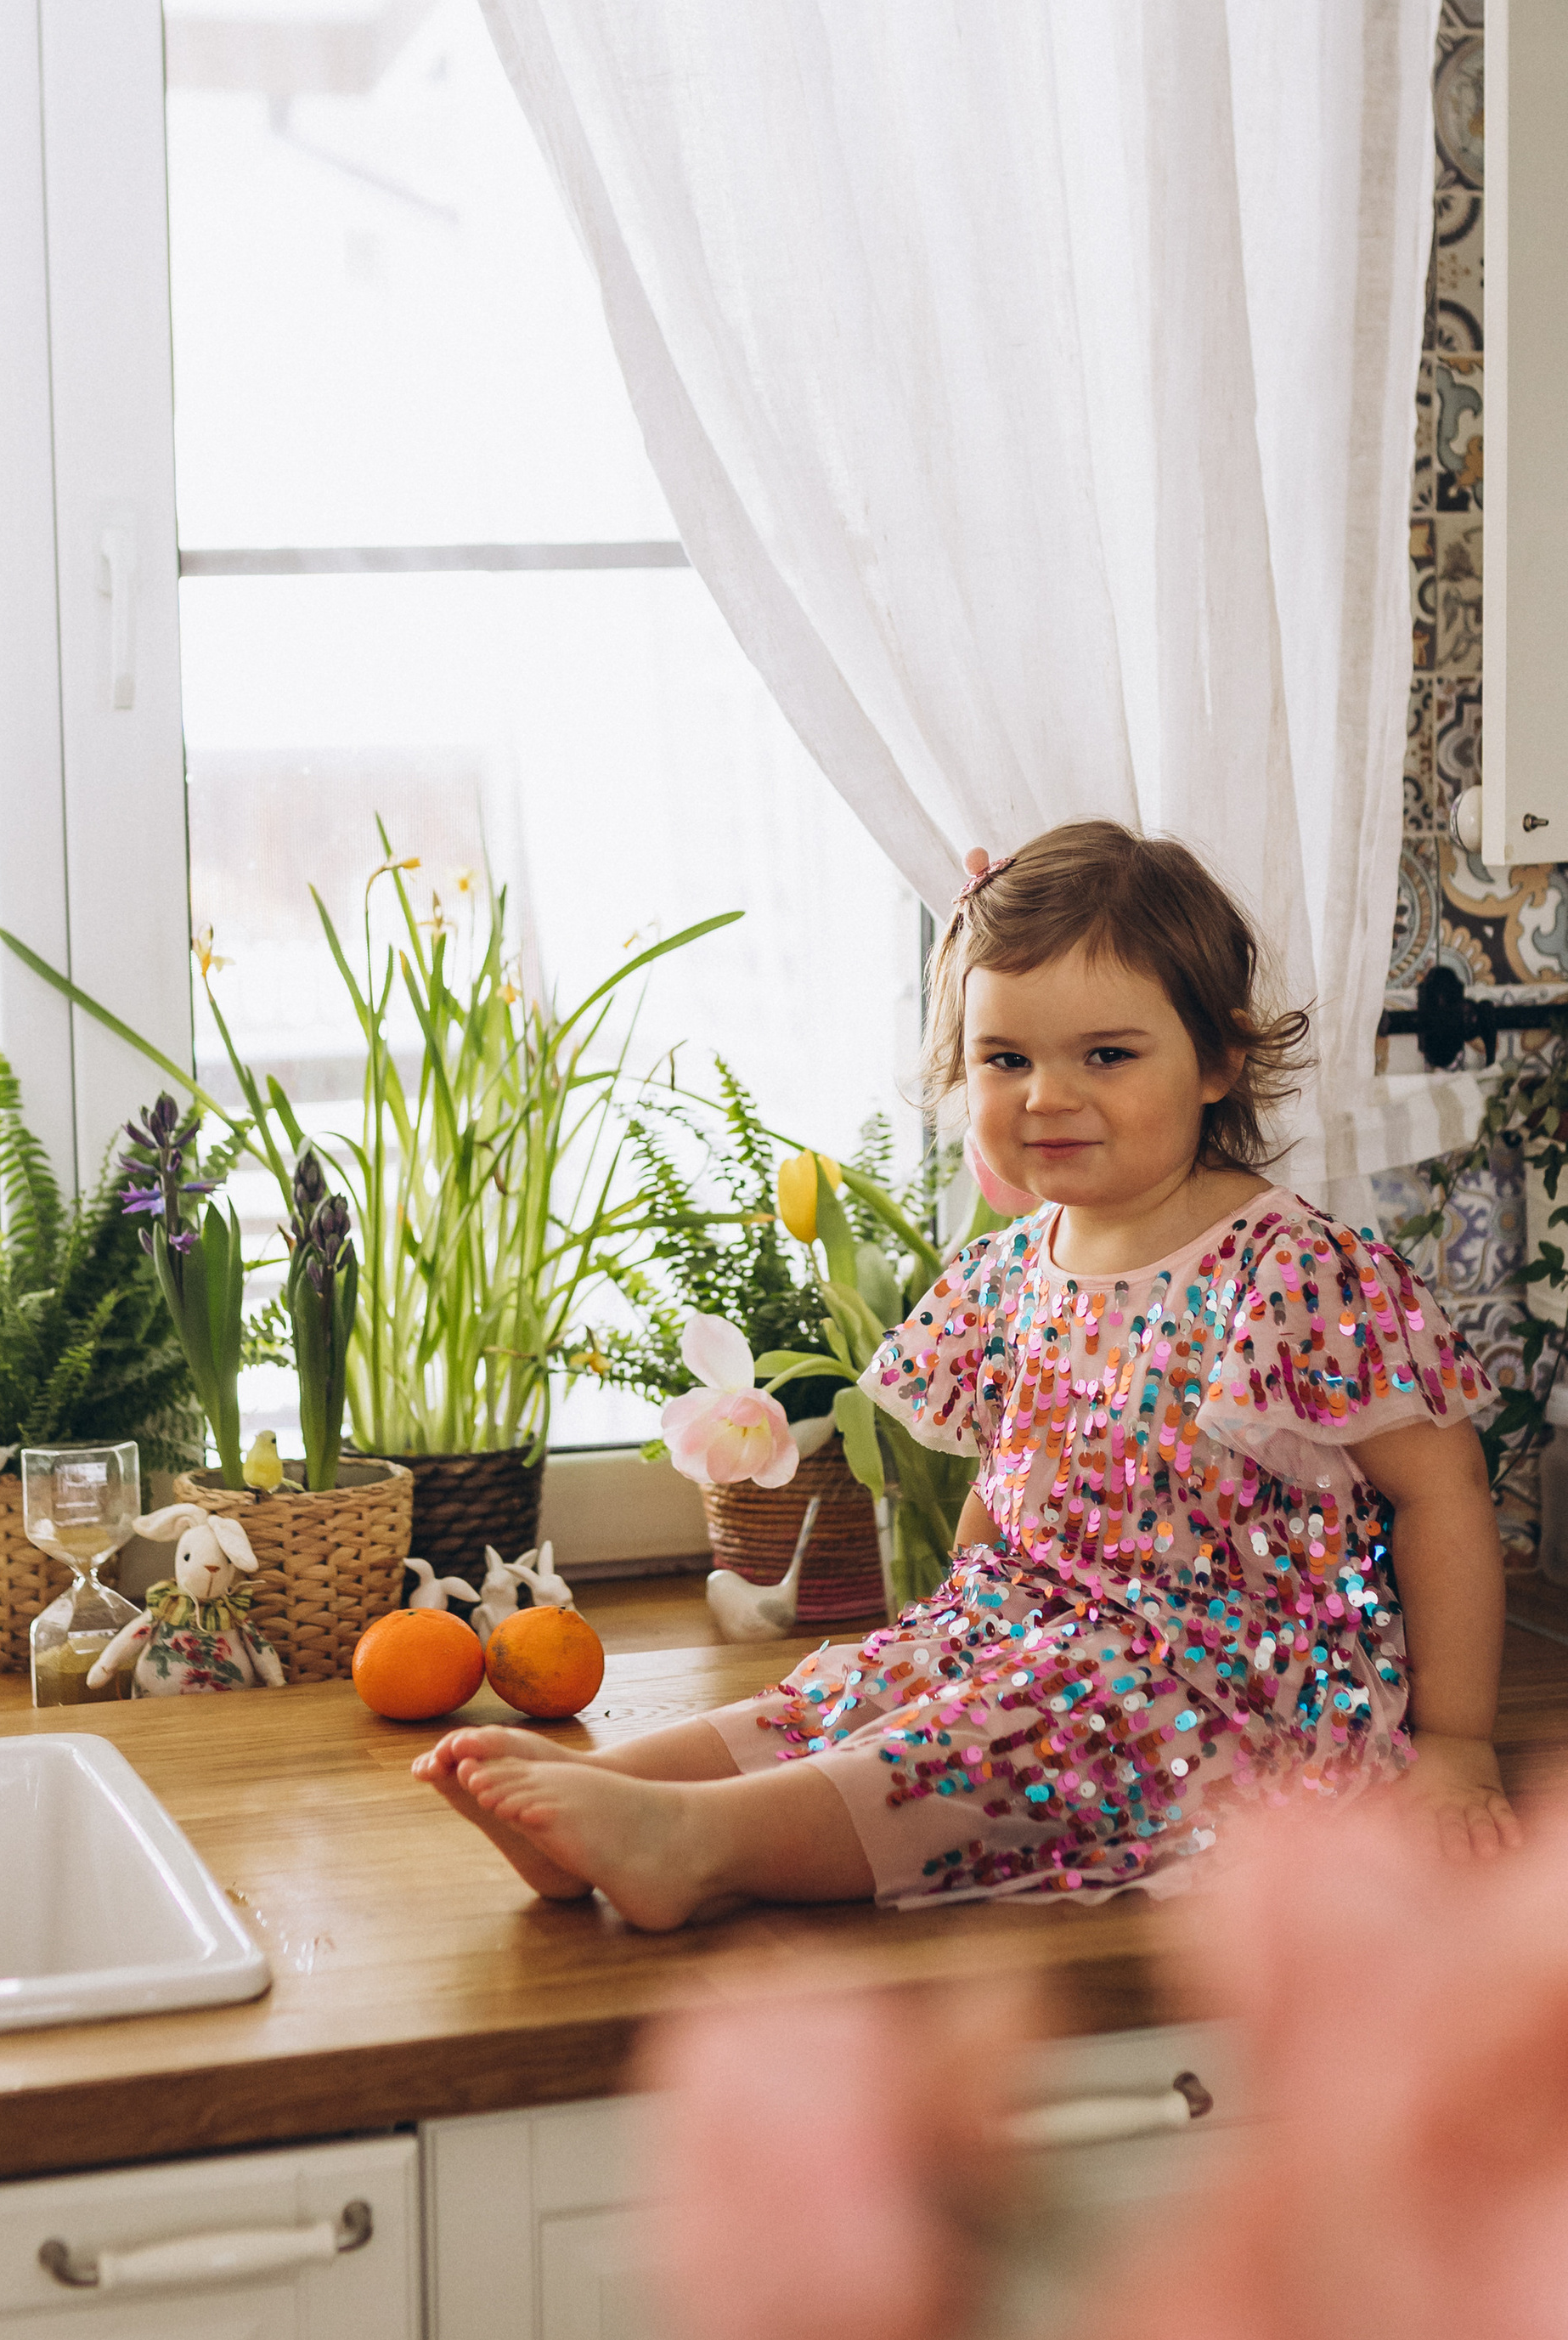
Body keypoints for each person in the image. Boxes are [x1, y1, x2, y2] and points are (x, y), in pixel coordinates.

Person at [414, 819, 1517, 1925]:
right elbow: (1014, 1469)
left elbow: (1443, 1496)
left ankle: (700, 1845)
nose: (1046, 1094)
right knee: (869, 1686)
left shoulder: (1290, 1270)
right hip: (1042, 1622)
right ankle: (613, 1791)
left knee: (1014, 1732)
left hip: (1226, 1685)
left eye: (1108, 1054)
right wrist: (950, 1630)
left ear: (1220, 1062)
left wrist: (1458, 1745)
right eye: (1007, 1060)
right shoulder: (1008, 1269)